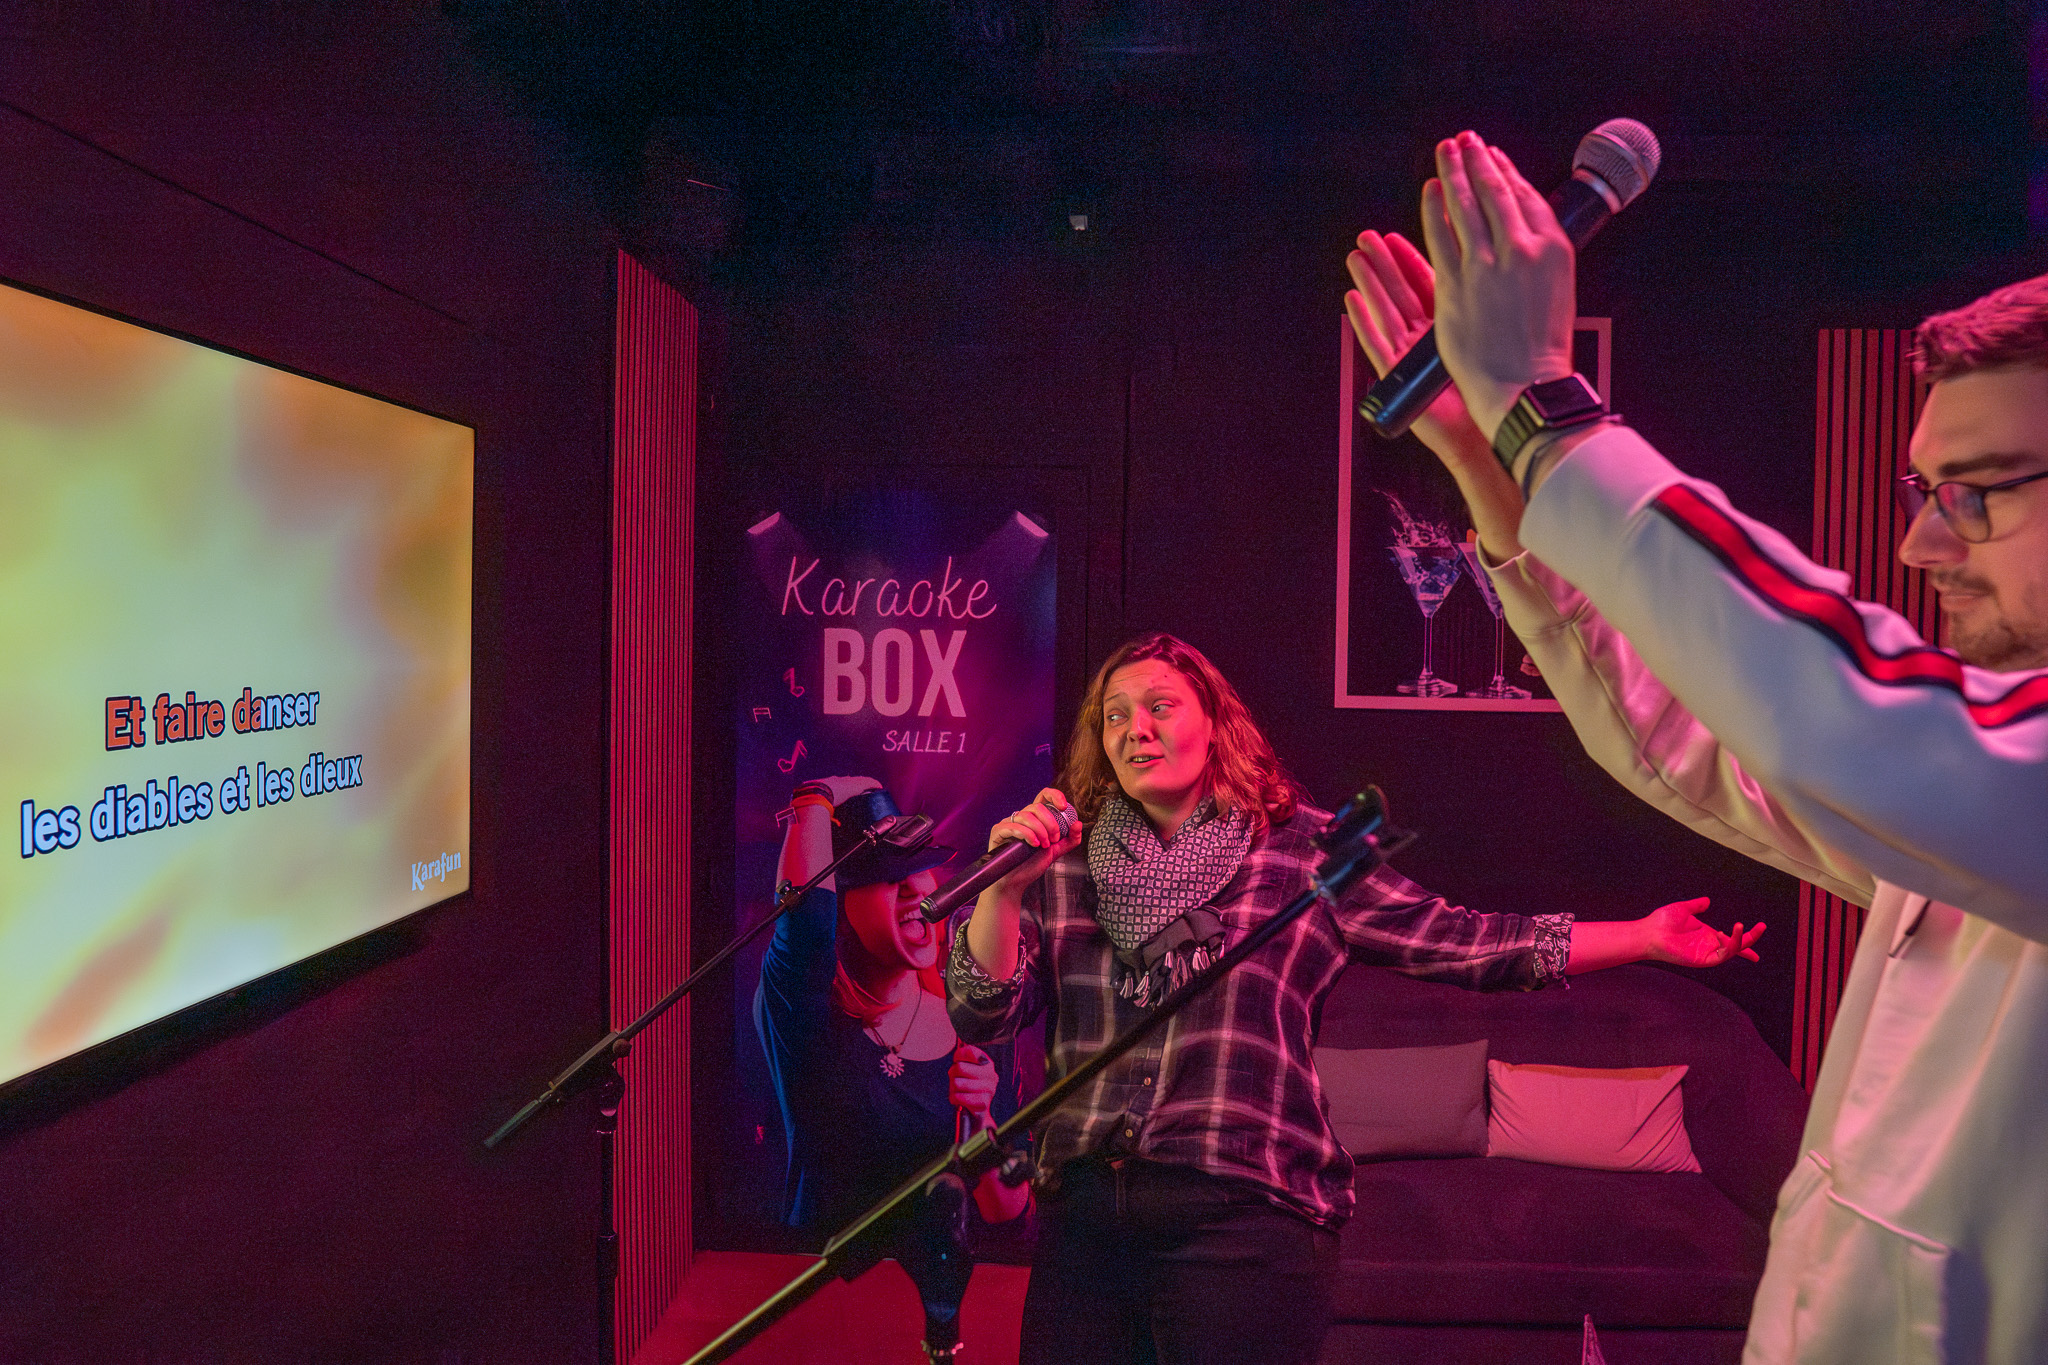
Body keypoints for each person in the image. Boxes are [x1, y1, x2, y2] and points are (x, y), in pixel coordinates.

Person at [1346, 131, 2048, 1363]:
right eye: (1920, 494)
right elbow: (1684, 744)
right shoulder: (1964, 801)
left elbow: (1828, 707)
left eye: (1975, 493)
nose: (1920, 548)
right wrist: (1476, 450)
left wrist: (1542, 406)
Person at [943, 631, 1764, 1365]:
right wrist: (1003, 890)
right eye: (1114, 715)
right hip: (1087, 1222)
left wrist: (1642, 936)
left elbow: (1463, 940)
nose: (1135, 728)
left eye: (1160, 705)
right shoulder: (1062, 865)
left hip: (1242, 1215)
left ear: (1216, 723)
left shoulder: (1303, 850)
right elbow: (981, 1010)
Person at [753, 778, 1029, 1354]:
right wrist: (817, 797)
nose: (915, 890)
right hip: (822, 1305)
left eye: (920, 870)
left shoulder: (972, 1015)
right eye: (886, 877)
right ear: (839, 902)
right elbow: (804, 925)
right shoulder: (803, 1010)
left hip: (937, 1324)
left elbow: (1007, 1208)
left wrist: (981, 1123)